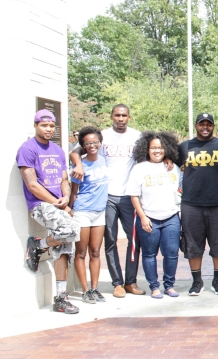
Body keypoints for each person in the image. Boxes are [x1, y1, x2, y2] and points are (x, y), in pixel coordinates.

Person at [70, 104, 145, 298]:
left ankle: (131, 281)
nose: (120, 118)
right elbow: (76, 151)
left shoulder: (137, 136)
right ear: (111, 116)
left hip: (129, 195)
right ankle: (117, 283)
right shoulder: (101, 136)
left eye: (124, 115)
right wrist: (77, 162)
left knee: (134, 240)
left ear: (129, 117)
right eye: (117, 115)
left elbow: (153, 153)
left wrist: (168, 159)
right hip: (107, 197)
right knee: (110, 240)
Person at [20, 110, 80, 314]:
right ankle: (39, 244)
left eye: (52, 126)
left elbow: (64, 179)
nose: (48, 129)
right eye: (44, 125)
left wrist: (65, 199)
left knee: (64, 248)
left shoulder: (57, 149)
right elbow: (32, 185)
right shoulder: (27, 149)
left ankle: (60, 299)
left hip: (58, 203)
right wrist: (56, 202)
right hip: (40, 205)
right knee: (72, 230)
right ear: (36, 125)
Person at [177, 113, 218, 296]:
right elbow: (168, 163)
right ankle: (197, 282)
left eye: (209, 124)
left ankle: (217, 281)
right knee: (193, 245)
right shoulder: (184, 147)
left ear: (213, 126)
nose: (205, 127)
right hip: (191, 204)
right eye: (202, 124)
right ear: (196, 125)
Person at [127, 131, 183, 299]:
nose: (157, 151)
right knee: (149, 254)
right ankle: (154, 286)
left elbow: (182, 188)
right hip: (149, 218)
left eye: (160, 147)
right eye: (153, 148)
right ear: (147, 149)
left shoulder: (173, 168)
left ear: (167, 149)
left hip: (171, 217)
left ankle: (169, 285)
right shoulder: (139, 169)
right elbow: (134, 195)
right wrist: (143, 217)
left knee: (171, 253)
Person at [69, 126, 109, 304]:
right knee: (81, 252)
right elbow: (74, 191)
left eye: (95, 142)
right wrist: (69, 209)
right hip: (83, 211)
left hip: (99, 212)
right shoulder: (80, 166)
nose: (92, 146)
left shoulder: (105, 159)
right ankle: (85, 290)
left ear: (100, 143)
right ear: (83, 145)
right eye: (88, 143)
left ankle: (94, 288)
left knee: (95, 251)